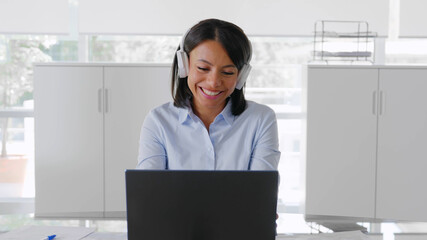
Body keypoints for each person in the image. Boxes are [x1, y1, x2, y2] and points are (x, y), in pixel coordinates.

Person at [137, 18, 280, 170]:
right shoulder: (159, 121)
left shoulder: (261, 119)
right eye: (203, 68)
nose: (213, 83)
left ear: (241, 76)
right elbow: (149, 190)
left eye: (227, 72)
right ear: (184, 66)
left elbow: (261, 190)